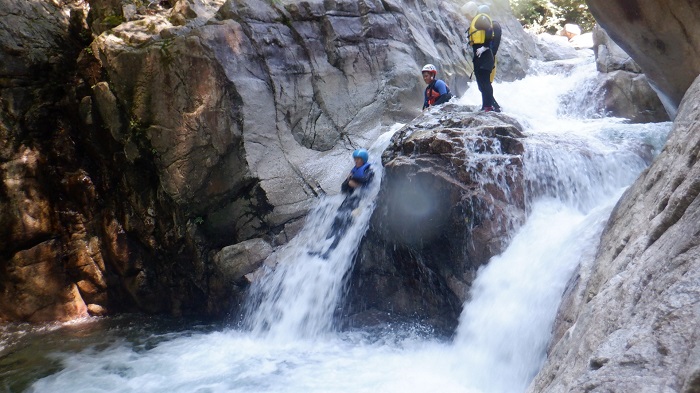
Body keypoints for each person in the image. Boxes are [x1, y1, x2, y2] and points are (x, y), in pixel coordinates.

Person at [313, 149, 374, 259]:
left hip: (358, 203)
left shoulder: (369, 171)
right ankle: (321, 247)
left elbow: (364, 180)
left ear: (364, 160)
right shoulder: (354, 171)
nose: (356, 161)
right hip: (348, 200)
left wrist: (352, 179)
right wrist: (349, 181)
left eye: (359, 159)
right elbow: (344, 187)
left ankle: (329, 252)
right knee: (336, 222)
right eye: (355, 159)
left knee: (343, 226)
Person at [462, 2, 500, 112]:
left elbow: (489, 30)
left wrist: (485, 47)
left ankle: (489, 107)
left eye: (466, 14)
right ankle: (486, 106)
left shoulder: (481, 18)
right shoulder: (477, 20)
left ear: (472, 12)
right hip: (479, 56)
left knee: (485, 81)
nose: (466, 17)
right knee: (481, 82)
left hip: (485, 55)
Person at [478, 4, 502, 112]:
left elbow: (493, 44)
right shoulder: (492, 24)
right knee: (483, 84)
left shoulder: (493, 25)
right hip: (488, 57)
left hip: (490, 58)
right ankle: (489, 106)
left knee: (485, 84)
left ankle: (493, 107)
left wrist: (487, 55)